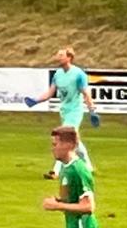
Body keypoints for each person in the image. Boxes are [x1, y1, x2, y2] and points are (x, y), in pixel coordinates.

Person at [25, 47, 97, 179]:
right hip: (64, 111)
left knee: (63, 137)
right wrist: (35, 100)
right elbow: (50, 93)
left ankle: (55, 171)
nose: (58, 58)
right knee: (75, 140)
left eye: (61, 55)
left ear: (69, 58)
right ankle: (89, 167)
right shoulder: (58, 74)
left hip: (75, 111)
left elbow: (86, 93)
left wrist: (92, 110)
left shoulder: (78, 74)